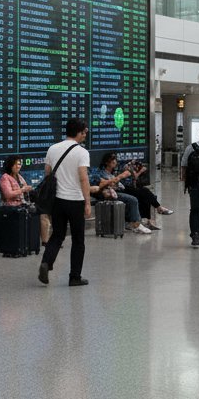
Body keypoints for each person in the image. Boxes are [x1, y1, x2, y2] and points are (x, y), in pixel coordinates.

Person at [38, 117, 91, 287]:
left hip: (57, 201)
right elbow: (83, 179)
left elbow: (47, 173)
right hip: (75, 201)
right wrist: (88, 202)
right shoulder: (82, 152)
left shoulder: (52, 149)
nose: (85, 135)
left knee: (57, 235)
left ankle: (46, 262)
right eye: (84, 132)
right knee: (78, 240)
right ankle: (75, 277)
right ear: (79, 132)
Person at [89, 154, 151, 234]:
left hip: (118, 190)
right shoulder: (100, 173)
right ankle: (136, 224)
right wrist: (120, 177)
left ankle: (138, 220)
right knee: (133, 199)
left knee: (143, 192)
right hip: (108, 193)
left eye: (115, 160)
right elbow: (103, 184)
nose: (115, 162)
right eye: (113, 160)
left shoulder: (114, 171)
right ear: (107, 162)